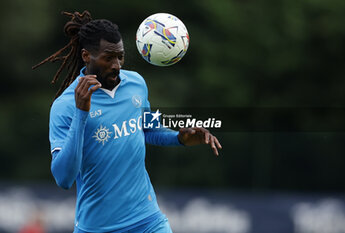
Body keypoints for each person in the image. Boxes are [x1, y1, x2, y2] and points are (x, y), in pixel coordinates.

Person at [33, 11, 222, 233]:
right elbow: (64, 178)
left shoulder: (136, 84)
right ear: (86, 56)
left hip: (148, 221)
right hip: (97, 228)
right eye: (108, 57)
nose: (116, 65)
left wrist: (179, 138)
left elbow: (149, 129)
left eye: (120, 56)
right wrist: (81, 113)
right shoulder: (65, 106)